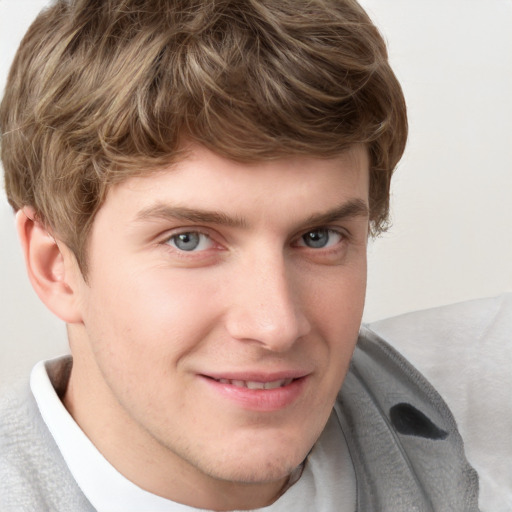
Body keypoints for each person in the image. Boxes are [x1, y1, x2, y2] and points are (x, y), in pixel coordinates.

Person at [0, 0, 479, 510]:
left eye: (319, 237)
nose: (277, 326)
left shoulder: (480, 422)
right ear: (56, 266)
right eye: (190, 240)